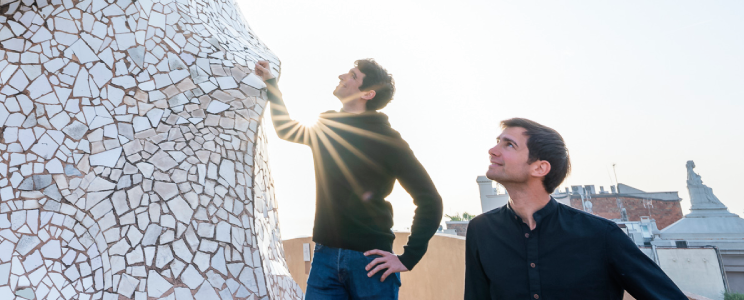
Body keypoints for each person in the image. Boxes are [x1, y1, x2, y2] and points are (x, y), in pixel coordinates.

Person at [253, 60, 443, 299]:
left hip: (371, 264)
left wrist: (408, 258)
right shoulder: (327, 125)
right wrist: (272, 83)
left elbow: (430, 200)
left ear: (368, 93)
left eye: (353, 75)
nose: (342, 75)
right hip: (324, 258)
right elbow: (286, 129)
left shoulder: (389, 140)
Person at [464, 118, 686, 300]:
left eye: (509, 144)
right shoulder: (481, 230)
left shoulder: (601, 235)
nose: (492, 150)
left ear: (540, 167)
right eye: (498, 142)